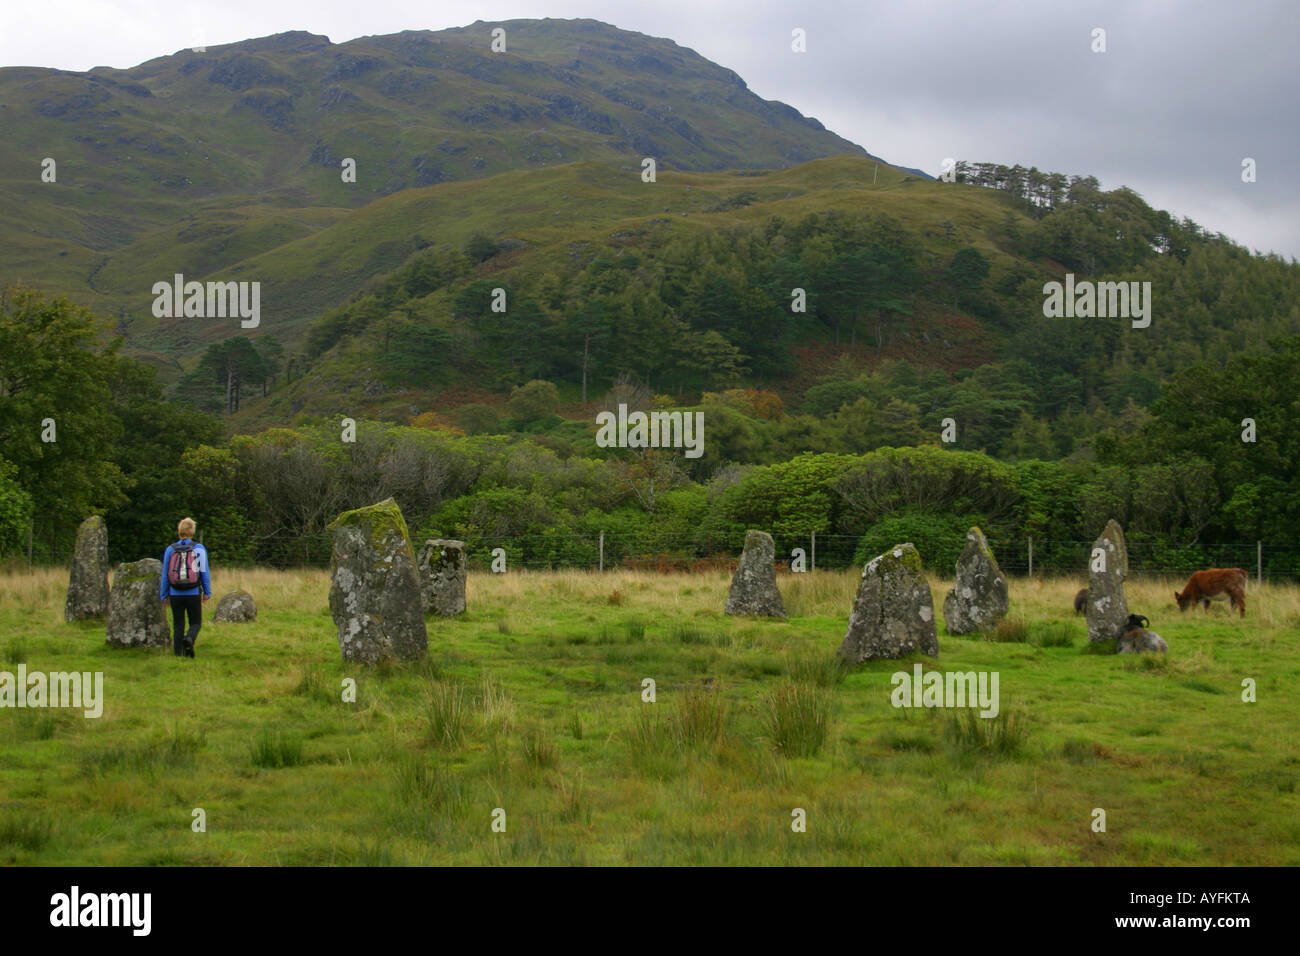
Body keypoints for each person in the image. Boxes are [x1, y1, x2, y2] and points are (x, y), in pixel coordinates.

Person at [160, 517, 211, 658]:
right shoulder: (199, 549)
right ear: (192, 532)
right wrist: (207, 592)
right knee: (195, 622)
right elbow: (204, 572)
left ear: (179, 531)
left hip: (175, 593)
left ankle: (178, 654)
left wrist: (164, 595)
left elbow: (165, 574)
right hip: (193, 592)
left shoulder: (170, 550)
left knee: (178, 624)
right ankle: (189, 639)